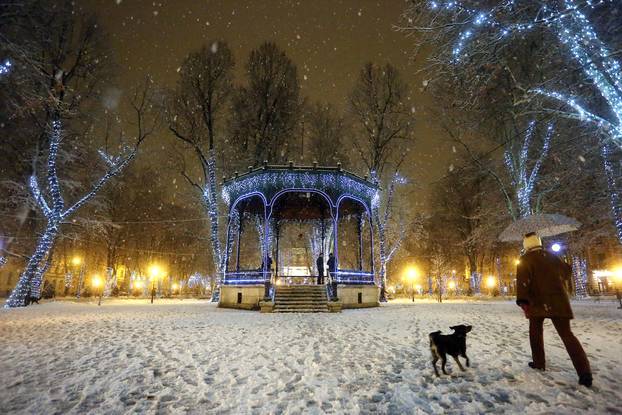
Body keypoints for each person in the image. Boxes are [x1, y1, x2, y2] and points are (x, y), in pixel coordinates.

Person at [516, 232, 593, 387]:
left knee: (535, 332)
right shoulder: (551, 256)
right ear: (539, 242)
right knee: (567, 335)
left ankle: (539, 362)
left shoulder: (525, 260)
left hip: (537, 303)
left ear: (526, 245)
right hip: (558, 301)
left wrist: (523, 301)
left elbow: (522, 282)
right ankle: (584, 372)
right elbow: (566, 273)